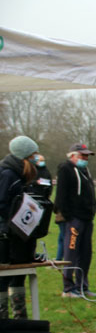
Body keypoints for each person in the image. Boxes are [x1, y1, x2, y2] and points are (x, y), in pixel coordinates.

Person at [0, 136, 40, 319]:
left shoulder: (18, 174)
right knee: (3, 277)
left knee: (18, 276)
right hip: (6, 235)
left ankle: (19, 320)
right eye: (33, 155)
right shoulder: (8, 174)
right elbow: (3, 204)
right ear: (24, 155)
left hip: (17, 235)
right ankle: (4, 322)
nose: (36, 158)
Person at [55, 143, 96, 298]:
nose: (85, 159)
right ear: (73, 155)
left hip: (87, 218)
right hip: (74, 219)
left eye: (87, 156)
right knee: (71, 253)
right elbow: (61, 195)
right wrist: (67, 216)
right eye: (82, 155)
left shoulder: (85, 170)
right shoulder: (66, 169)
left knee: (86, 253)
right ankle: (68, 288)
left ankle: (82, 286)